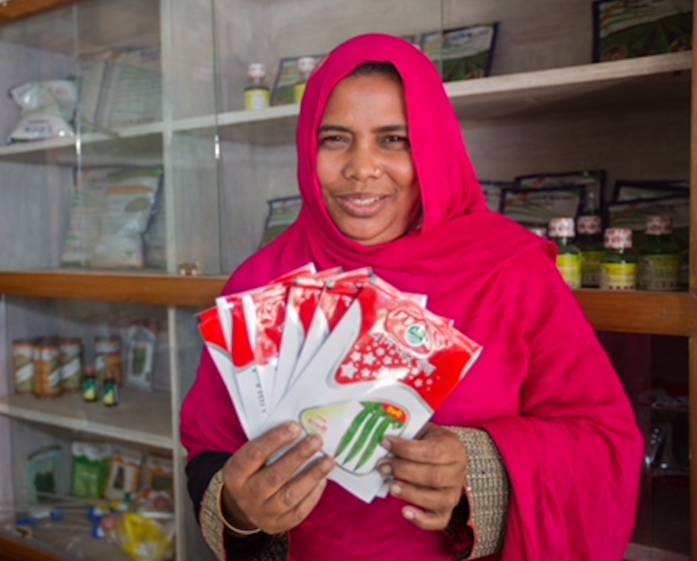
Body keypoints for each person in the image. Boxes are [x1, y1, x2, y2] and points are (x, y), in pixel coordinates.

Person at [179, 33, 642, 561]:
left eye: (393, 139)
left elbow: (604, 443)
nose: (361, 168)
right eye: (335, 138)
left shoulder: (511, 272)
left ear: (432, 148)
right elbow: (209, 450)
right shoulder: (261, 284)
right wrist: (239, 510)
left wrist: (476, 469)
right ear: (308, 147)